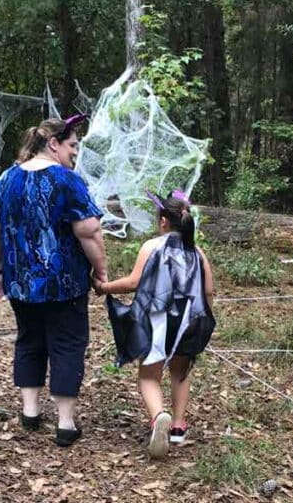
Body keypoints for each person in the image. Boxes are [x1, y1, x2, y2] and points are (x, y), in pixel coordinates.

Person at [0, 115, 107, 447]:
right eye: (72, 146)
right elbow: (90, 230)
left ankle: (31, 411)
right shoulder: (67, 181)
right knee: (67, 344)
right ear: (53, 144)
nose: (75, 154)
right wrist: (101, 271)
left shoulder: (6, 178)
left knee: (29, 340)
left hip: (20, 283)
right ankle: (65, 423)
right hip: (64, 285)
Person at [94, 190, 216, 459]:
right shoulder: (197, 252)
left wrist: (104, 287)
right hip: (188, 321)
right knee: (180, 372)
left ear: (163, 222)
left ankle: (159, 415)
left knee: (149, 374)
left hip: (156, 320)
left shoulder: (152, 247)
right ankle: (178, 427)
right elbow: (208, 291)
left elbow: (133, 282)